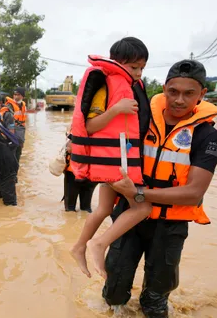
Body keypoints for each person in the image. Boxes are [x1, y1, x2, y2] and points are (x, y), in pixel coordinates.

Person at [109, 60, 217, 317]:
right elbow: (114, 155)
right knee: (114, 288)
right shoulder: (141, 119)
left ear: (202, 94)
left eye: (189, 93)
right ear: (164, 88)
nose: (179, 100)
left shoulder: (207, 135)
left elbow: (194, 193)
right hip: (129, 216)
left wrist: (139, 193)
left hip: (170, 225)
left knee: (156, 299)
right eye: (173, 91)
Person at [69, 37, 152, 279]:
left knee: (104, 208)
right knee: (142, 206)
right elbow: (89, 126)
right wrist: (116, 110)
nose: (137, 73)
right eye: (133, 67)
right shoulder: (106, 86)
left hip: (118, 162)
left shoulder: (130, 86)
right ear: (116, 62)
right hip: (117, 166)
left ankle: (78, 247)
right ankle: (99, 244)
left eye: (141, 68)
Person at [62, 126, 96, 212]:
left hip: (73, 171)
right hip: (92, 172)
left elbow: (70, 148)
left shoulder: (77, 125)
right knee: (86, 209)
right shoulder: (102, 128)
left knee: (69, 209)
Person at [5, 87, 27, 162]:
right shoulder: (9, 105)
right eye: (15, 94)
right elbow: (9, 120)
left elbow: (24, 120)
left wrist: (22, 139)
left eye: (18, 95)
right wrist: (12, 134)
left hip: (20, 131)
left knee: (18, 151)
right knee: (12, 152)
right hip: (12, 131)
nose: (16, 96)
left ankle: (16, 168)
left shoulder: (23, 105)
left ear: (23, 96)